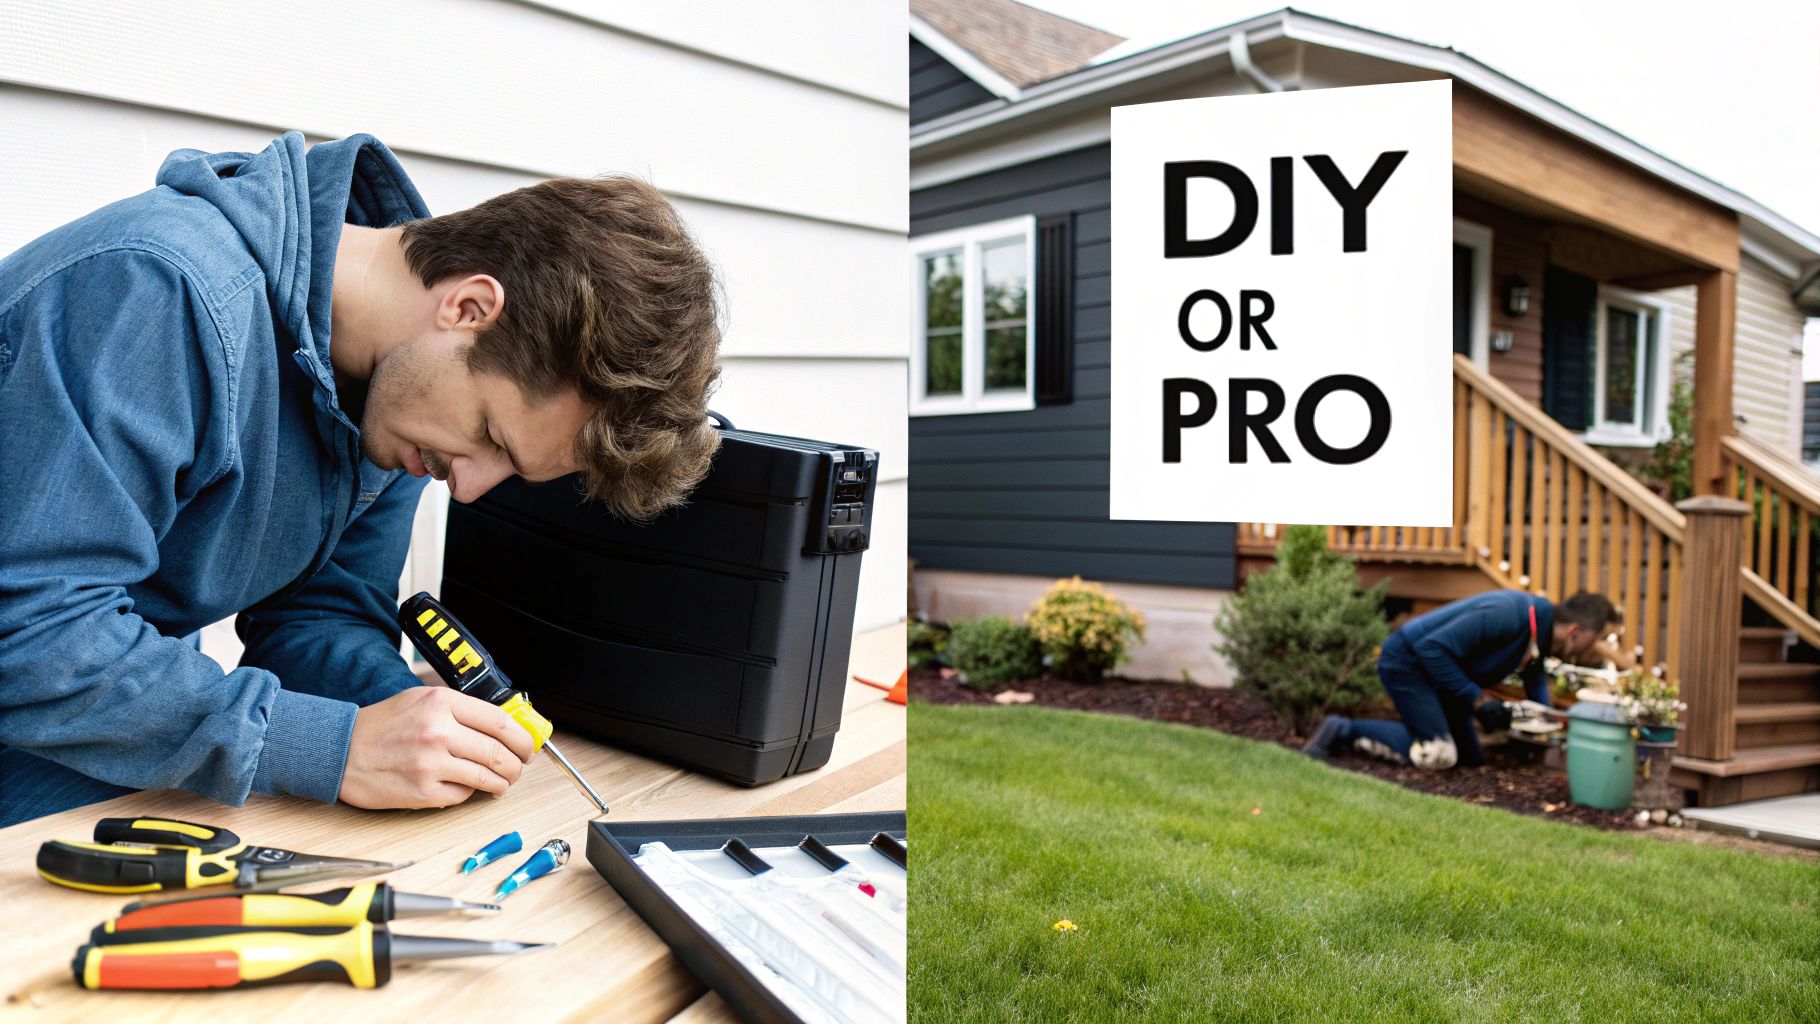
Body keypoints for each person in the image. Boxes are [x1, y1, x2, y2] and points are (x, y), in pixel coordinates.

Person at [0, 132, 722, 826]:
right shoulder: (160, 292)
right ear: (468, 307)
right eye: (490, 436)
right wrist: (331, 749)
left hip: (93, 743)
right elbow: (29, 633)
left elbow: (319, 616)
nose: (466, 488)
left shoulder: (399, 393)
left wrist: (410, 722)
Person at [1303, 590, 1618, 769]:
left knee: (1470, 760)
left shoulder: (1539, 631)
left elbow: (1534, 677)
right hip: (1407, 663)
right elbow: (1431, 648)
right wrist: (1478, 700)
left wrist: (1549, 721)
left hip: (1442, 677)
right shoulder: (1508, 614)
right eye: (1597, 638)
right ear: (1575, 632)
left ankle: (1423, 732)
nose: (1594, 647)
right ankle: (1342, 729)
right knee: (1439, 754)